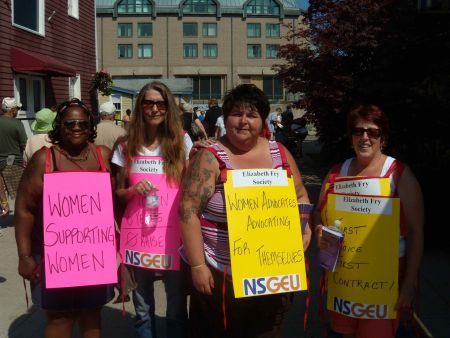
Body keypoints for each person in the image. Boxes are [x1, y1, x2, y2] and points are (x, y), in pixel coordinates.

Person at [179, 84, 312, 338]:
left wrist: (303, 226)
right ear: (225, 118)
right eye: (236, 114)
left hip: (270, 272)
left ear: (262, 120)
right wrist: (197, 265)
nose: (243, 121)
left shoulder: (280, 153)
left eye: (251, 115)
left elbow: (301, 195)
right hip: (220, 272)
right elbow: (188, 211)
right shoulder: (209, 158)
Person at [313, 104, 424, 338]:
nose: (365, 137)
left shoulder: (398, 174)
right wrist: (319, 229)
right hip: (344, 281)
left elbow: (415, 231)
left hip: (384, 283)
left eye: (372, 132)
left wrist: (410, 284)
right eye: (358, 131)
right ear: (351, 137)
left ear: (382, 137)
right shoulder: (336, 173)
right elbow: (319, 214)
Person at [15, 98, 113, 338]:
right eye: (70, 124)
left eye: (82, 123)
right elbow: (24, 209)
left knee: (92, 314)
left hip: (94, 256)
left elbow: (119, 199)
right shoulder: (44, 160)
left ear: (91, 127)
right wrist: (25, 256)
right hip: (52, 257)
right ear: (59, 127)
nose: (77, 128)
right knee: (60, 317)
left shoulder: (104, 156)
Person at [111, 81, 191, 338]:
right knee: (143, 308)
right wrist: (134, 191)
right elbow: (117, 193)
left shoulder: (183, 142)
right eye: (148, 103)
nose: (154, 108)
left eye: (160, 103)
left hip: (173, 236)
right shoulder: (125, 145)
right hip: (138, 236)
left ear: (168, 108)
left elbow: (191, 191)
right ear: (140, 106)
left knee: (177, 307)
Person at [0, 97, 27, 211]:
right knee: (21, 194)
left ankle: (4, 208)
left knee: (1, 190)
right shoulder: (17, 124)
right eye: (17, 108)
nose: (18, 111)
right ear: (13, 110)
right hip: (13, 162)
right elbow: (24, 145)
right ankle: (22, 217)